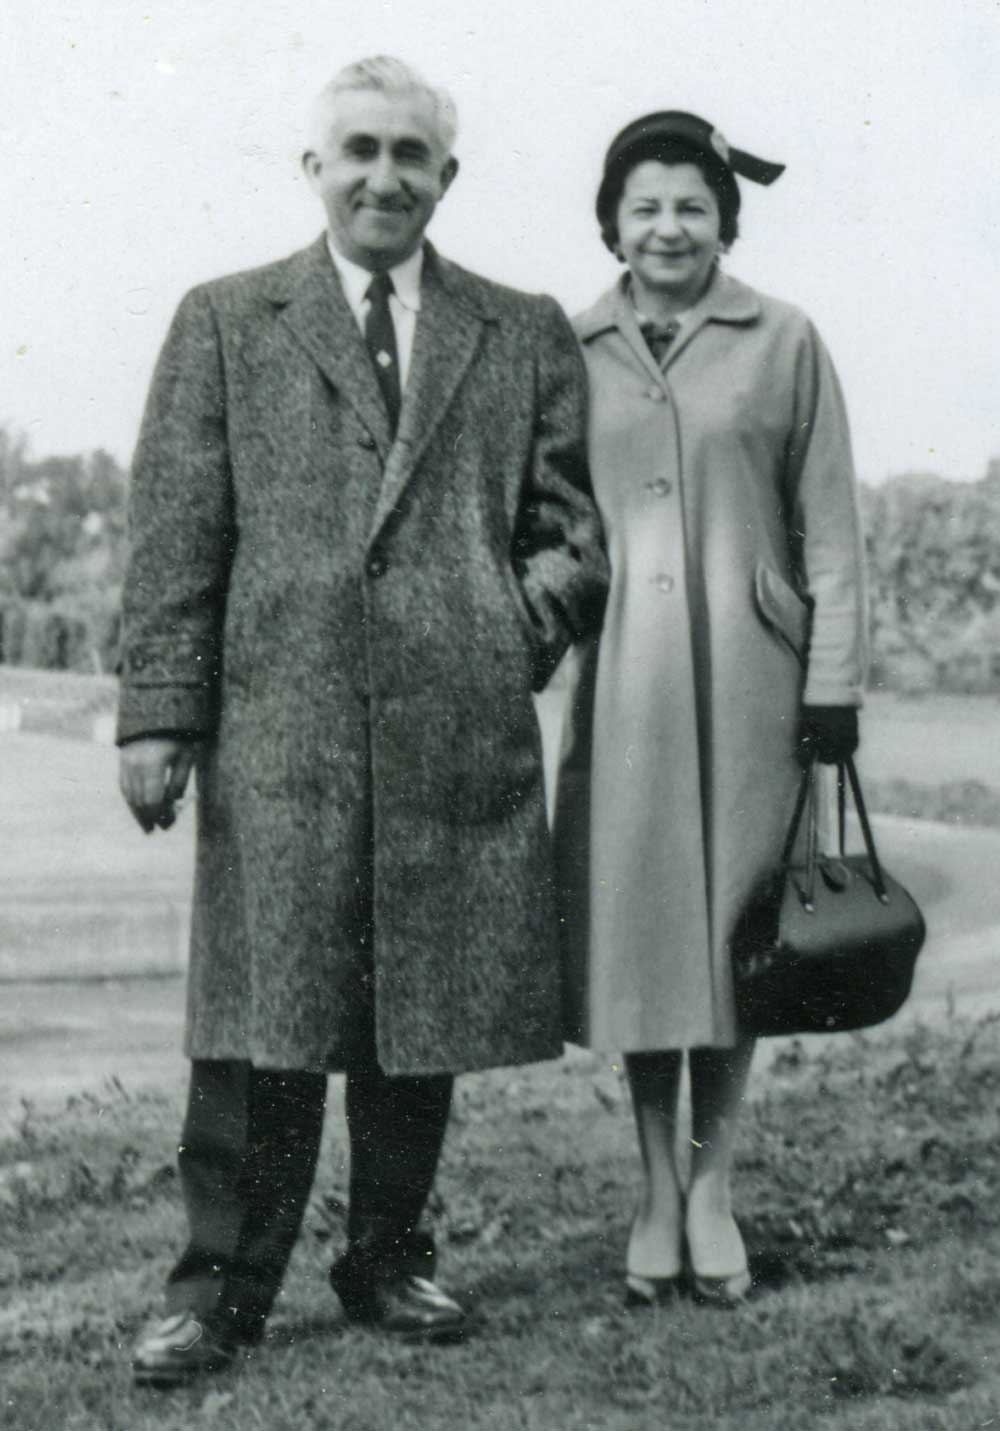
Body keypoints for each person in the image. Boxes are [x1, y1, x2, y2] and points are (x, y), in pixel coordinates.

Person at [118, 55, 607, 1386]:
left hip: (452, 729)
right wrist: (157, 714)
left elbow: (571, 536)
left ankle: (387, 1256)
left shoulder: (520, 329)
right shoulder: (229, 320)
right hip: (282, 734)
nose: (384, 176)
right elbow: (175, 533)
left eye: (410, 154)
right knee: (261, 1024)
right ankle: (219, 1292)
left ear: (447, 174)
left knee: (420, 1011)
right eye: (360, 151)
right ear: (314, 168)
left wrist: (499, 630)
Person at [554, 111, 866, 1307]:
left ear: (724, 222)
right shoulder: (571, 345)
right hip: (626, 682)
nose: (668, 227)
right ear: (612, 224)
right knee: (640, 942)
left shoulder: (785, 340)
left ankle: (712, 1185)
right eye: (644, 206)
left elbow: (832, 535)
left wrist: (831, 686)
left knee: (742, 942)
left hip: (753, 685)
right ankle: (651, 1189)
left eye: (692, 205)